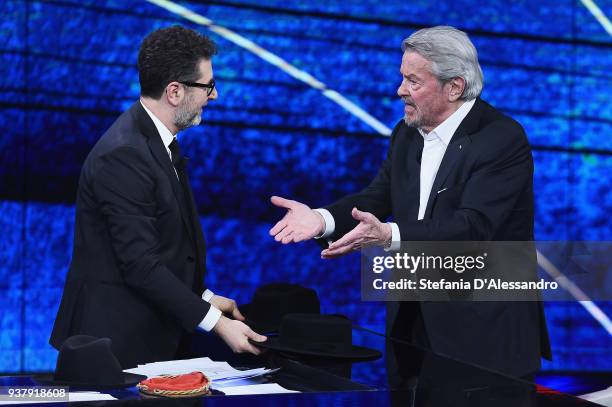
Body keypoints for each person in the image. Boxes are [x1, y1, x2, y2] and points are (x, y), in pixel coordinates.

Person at [268, 26, 551, 378]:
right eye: (402, 78)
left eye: (413, 81)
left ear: (454, 87)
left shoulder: (500, 138)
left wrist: (389, 236)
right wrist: (322, 219)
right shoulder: (406, 133)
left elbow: (473, 226)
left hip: (482, 334)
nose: (400, 90)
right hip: (412, 326)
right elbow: (379, 196)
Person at [50, 25, 266, 368]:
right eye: (208, 86)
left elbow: (163, 247)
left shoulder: (154, 141)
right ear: (175, 92)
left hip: (145, 338)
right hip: (114, 350)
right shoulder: (124, 155)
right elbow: (140, 265)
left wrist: (204, 298)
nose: (215, 96)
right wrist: (216, 323)